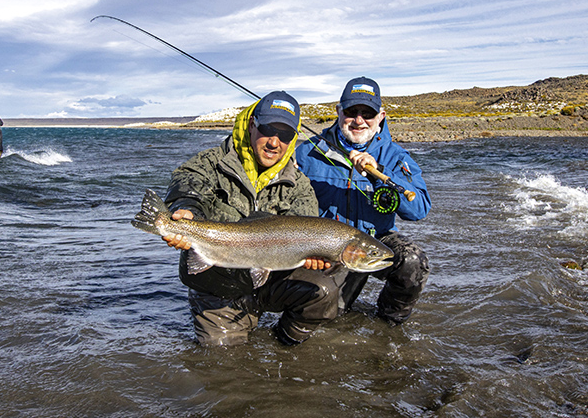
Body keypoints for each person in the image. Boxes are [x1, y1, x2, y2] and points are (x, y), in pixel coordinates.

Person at [161, 91, 339, 347]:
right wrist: (188, 210)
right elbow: (187, 184)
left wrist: (313, 256)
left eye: (286, 135)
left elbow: (307, 227)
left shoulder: (299, 184)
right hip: (218, 285)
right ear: (252, 124)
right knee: (226, 367)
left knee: (324, 291)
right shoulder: (213, 162)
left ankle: (284, 343)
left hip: (269, 281)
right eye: (268, 129)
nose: (274, 142)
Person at [295, 77, 431, 324]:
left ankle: (389, 324)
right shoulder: (306, 153)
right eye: (351, 111)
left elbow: (419, 209)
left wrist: (379, 173)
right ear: (338, 112)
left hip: (374, 240)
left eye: (367, 113)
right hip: (326, 245)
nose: (358, 120)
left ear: (381, 116)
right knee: (326, 318)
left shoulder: (395, 157)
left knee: (413, 261)